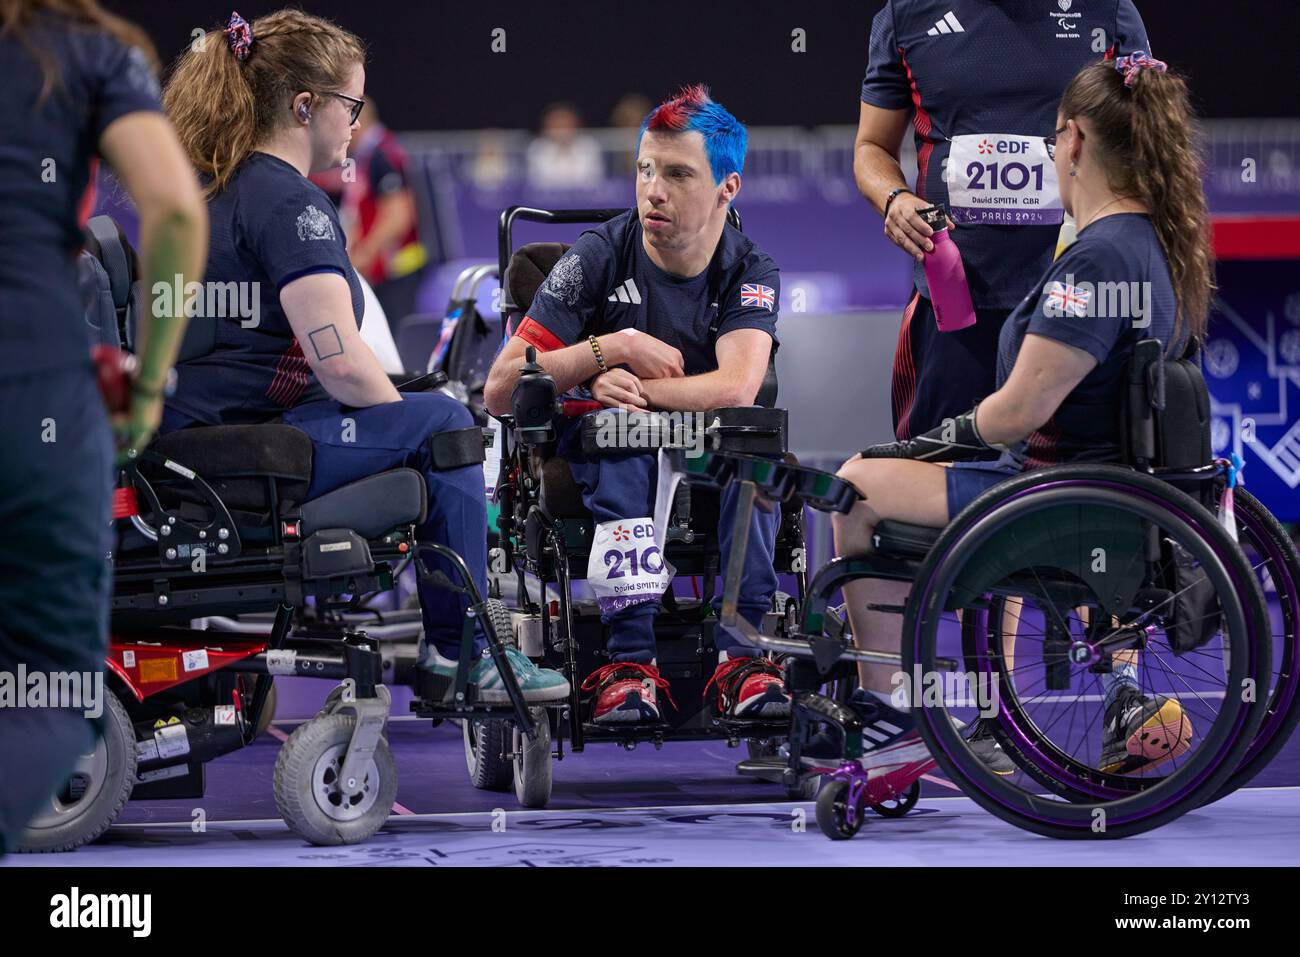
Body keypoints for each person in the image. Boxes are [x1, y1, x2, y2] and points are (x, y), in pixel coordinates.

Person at [821, 53, 1212, 794]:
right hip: (1095, 493)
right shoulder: (1149, 246)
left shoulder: (1096, 260)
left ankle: (891, 710)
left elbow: (1016, 413)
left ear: (1070, 142)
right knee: (880, 474)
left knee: (853, 487)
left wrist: (923, 443)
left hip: (1058, 505)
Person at [158, 9, 567, 702]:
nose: (355, 124)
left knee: (424, 410)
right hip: (242, 448)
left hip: (212, 432)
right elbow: (340, 363)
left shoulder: (225, 187)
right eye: (350, 106)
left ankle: (453, 644)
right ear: (304, 105)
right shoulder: (290, 203)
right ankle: (463, 654)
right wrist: (433, 439)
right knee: (445, 424)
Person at [485, 85, 788, 724]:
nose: (653, 190)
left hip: (709, 454)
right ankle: (629, 662)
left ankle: (744, 661)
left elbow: (735, 388)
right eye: (645, 169)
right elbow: (501, 388)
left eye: (678, 174)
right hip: (613, 452)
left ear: (728, 188)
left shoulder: (751, 267)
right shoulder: (597, 254)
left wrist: (637, 388)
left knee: (755, 446)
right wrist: (606, 350)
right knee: (622, 436)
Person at [0, 0, 207, 852]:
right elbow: (176, 212)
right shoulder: (83, 53)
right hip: (33, 389)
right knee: (50, 693)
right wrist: (150, 379)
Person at [336, 97, 429, 330]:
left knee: (397, 343)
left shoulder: (383, 153)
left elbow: (399, 215)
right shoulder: (367, 154)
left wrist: (365, 254)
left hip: (399, 272)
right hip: (386, 272)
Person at [525, 102, 604, 190]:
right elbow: (539, 180)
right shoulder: (537, 147)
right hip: (547, 197)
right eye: (557, 126)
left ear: (576, 125)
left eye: (565, 125)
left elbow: (591, 178)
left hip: (584, 197)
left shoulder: (588, 145)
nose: (562, 131)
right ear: (546, 127)